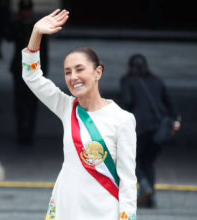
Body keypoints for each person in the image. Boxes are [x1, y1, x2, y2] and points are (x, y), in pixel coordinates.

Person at [22, 9, 137, 219]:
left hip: (103, 212)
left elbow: (128, 181)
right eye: (67, 72)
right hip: (68, 209)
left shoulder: (122, 120)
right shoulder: (67, 108)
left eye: (79, 69)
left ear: (98, 72)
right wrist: (36, 32)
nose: (73, 77)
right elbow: (32, 77)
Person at [120, 54, 180, 208]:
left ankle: (145, 186)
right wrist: (175, 121)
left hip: (139, 128)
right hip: (159, 128)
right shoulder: (157, 81)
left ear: (129, 67)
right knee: (148, 162)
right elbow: (170, 104)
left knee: (130, 160)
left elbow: (127, 102)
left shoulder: (128, 80)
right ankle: (151, 199)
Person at [7, 0, 49, 145]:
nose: (26, 12)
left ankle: (29, 133)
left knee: (32, 103)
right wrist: (16, 21)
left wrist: (44, 71)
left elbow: (44, 51)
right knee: (19, 102)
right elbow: (8, 37)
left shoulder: (38, 27)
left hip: (35, 70)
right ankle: (20, 132)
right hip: (19, 68)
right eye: (23, 10)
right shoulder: (18, 25)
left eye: (28, 9)